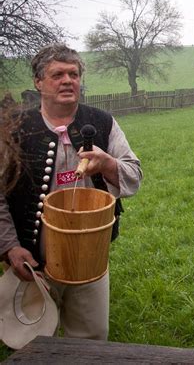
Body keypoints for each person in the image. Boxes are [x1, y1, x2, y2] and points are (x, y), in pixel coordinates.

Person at [0, 43, 142, 341]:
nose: (68, 81)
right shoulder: (15, 128)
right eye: (58, 75)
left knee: (90, 343)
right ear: (39, 82)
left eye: (74, 74)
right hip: (32, 263)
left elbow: (134, 176)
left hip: (90, 261)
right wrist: (10, 246)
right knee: (32, 345)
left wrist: (108, 164)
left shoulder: (103, 123)